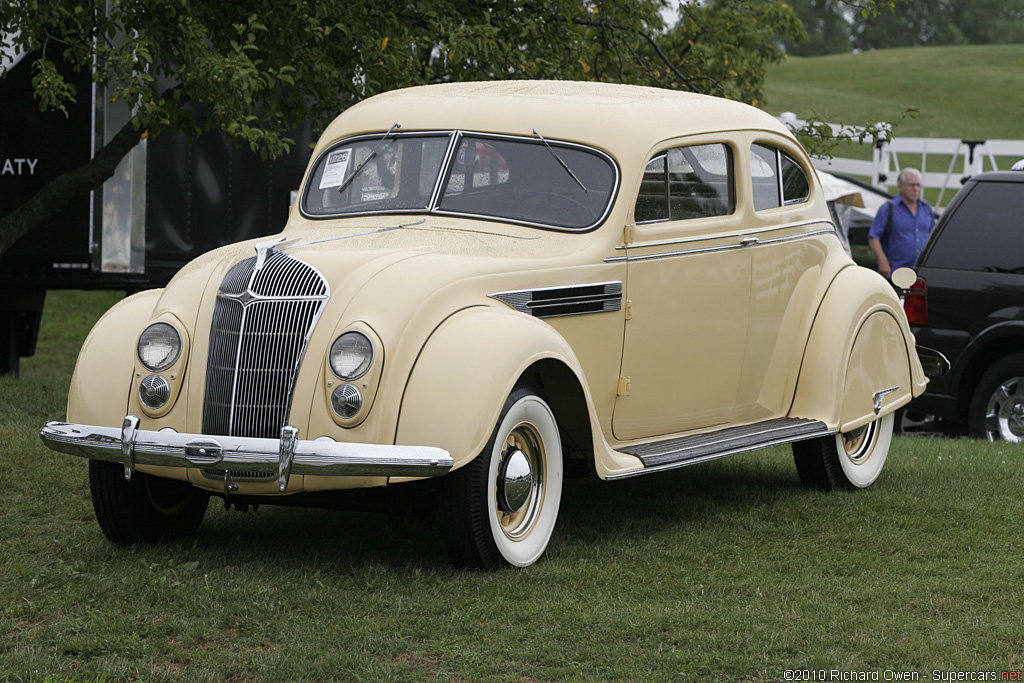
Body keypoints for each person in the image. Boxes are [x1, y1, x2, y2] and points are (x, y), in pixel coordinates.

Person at [867, 168, 935, 280]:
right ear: (900, 186)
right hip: (896, 272)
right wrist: (882, 261)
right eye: (912, 185)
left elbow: (933, 238)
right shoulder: (888, 209)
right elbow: (873, 237)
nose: (916, 189)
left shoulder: (926, 209)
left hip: (923, 274)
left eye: (918, 185)